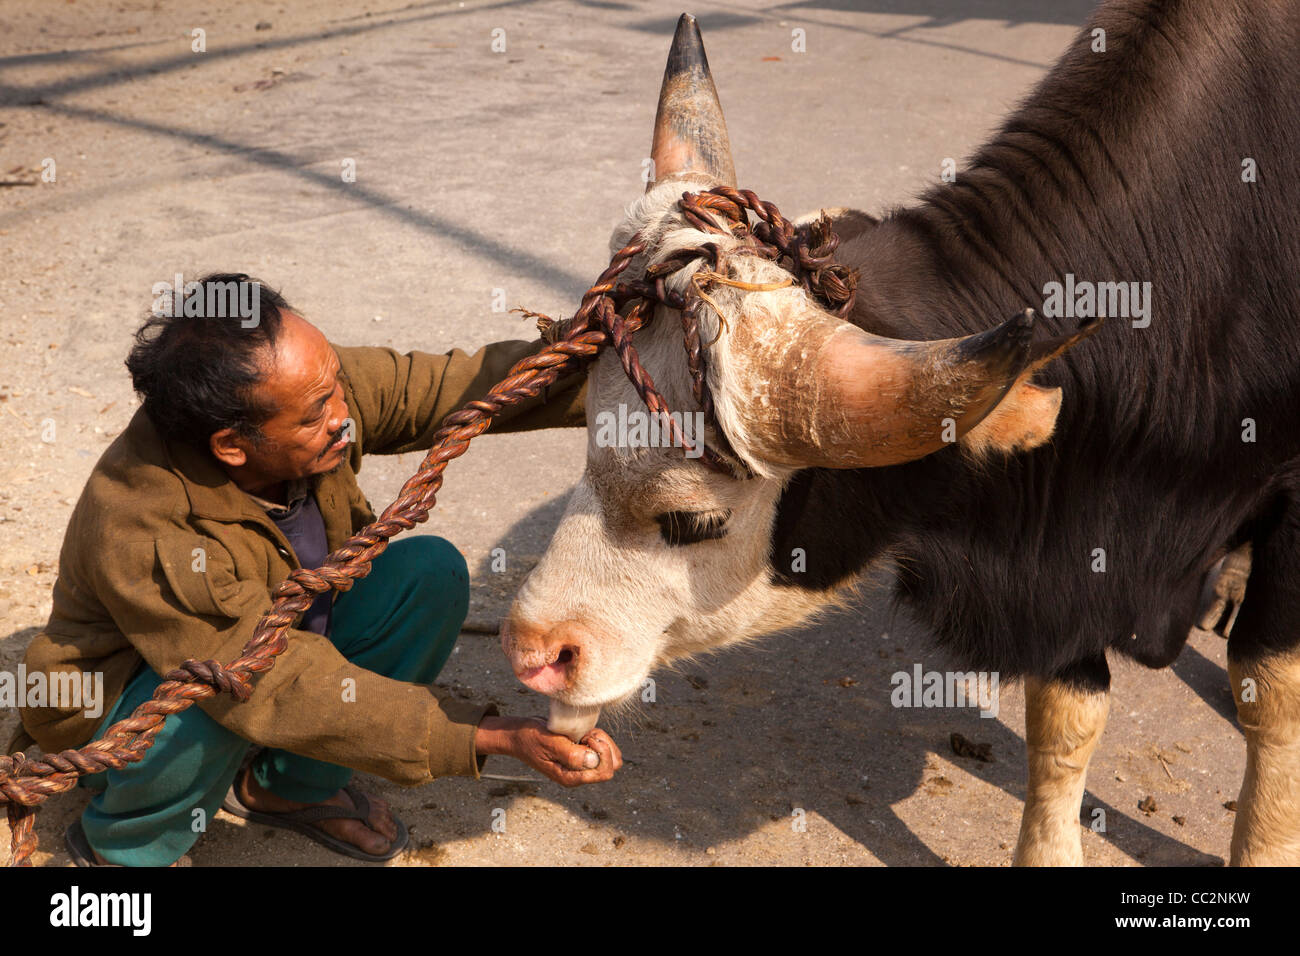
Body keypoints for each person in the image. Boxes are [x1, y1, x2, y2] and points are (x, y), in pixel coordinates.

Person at [11, 273, 621, 866]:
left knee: (428, 574)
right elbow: (267, 683)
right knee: (205, 698)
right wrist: (483, 737)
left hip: (269, 644)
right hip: (136, 698)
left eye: (335, 388)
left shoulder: (307, 390)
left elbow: (456, 386)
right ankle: (124, 845)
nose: (342, 415)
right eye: (313, 415)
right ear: (232, 445)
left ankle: (284, 786)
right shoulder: (147, 523)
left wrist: (614, 372)